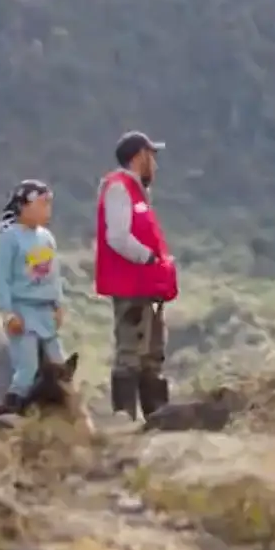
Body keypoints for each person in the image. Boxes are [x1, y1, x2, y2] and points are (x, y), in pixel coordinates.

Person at [94, 130, 177, 421]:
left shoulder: (138, 192)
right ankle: (124, 417)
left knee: (153, 353)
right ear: (140, 156)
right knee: (130, 349)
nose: (155, 164)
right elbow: (117, 236)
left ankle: (158, 414)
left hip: (148, 285)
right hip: (131, 285)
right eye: (152, 156)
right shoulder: (118, 188)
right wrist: (148, 257)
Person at [0, 179, 65, 416]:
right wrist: (8, 313)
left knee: (58, 362)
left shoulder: (47, 238)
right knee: (27, 366)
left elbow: (54, 274)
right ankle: (13, 407)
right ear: (25, 206)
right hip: (23, 309)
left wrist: (59, 304)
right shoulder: (10, 238)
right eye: (43, 204)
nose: (47, 210)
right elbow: (2, 279)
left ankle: (58, 407)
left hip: (46, 309)